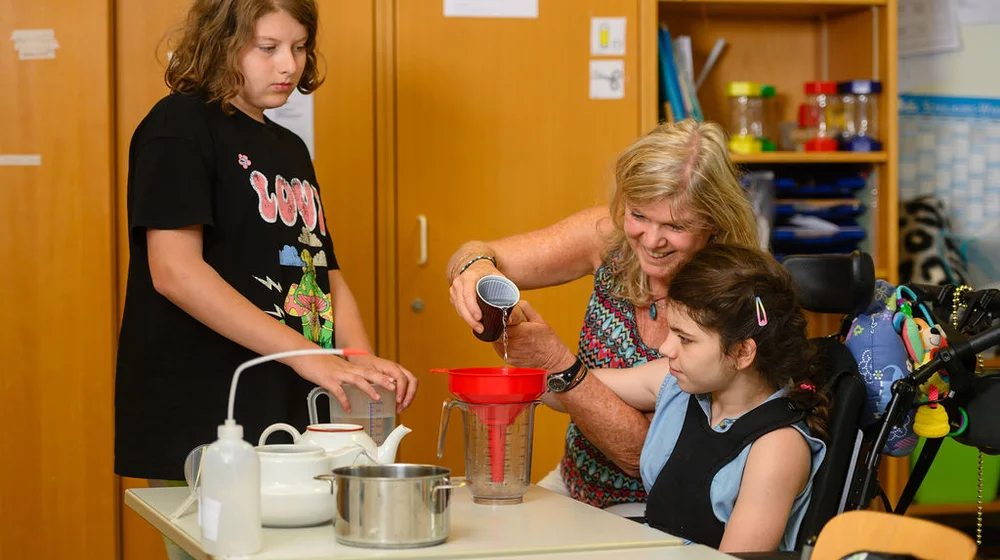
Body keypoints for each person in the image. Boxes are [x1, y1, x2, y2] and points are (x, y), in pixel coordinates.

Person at [115, 0, 416, 513]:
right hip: (206, 408)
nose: (288, 65)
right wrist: (313, 358)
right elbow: (175, 272)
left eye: (299, 48)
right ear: (220, 43)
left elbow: (323, 270)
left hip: (287, 401)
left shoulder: (290, 148)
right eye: (268, 48)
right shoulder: (179, 124)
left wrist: (357, 363)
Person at [446, 119, 759, 509]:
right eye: (639, 215)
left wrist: (555, 364)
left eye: (675, 225)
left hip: (665, 505)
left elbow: (643, 457)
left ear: (714, 222)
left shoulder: (730, 294)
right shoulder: (609, 238)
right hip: (576, 482)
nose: (652, 240)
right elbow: (479, 253)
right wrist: (475, 269)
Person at [523, 243, 830, 552]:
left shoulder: (777, 449)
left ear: (741, 352)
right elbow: (575, 390)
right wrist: (527, 353)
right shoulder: (675, 384)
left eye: (685, 339)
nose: (666, 348)